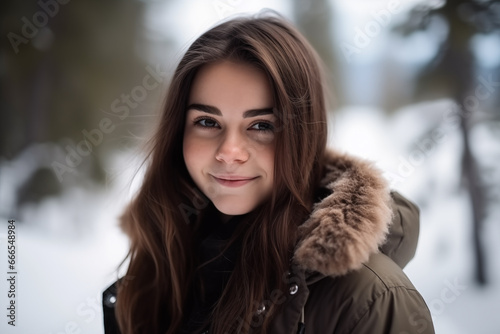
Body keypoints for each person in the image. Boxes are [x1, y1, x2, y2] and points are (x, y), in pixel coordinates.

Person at [102, 11, 435, 334]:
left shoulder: (369, 302)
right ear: (178, 132)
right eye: (207, 122)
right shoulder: (159, 267)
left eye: (262, 125)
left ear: (303, 136)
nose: (228, 152)